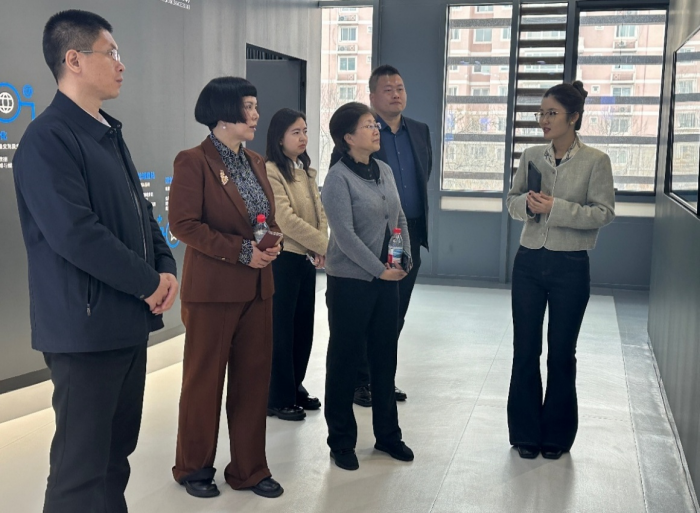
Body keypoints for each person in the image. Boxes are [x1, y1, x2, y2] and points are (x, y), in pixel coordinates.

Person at [12, 10, 178, 512]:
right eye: (112, 53)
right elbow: (76, 234)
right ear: (74, 60)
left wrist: (166, 267)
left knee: (114, 459)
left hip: (125, 321)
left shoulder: (106, 132)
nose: (121, 64)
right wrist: (147, 282)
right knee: (79, 471)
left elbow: (141, 213)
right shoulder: (48, 139)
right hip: (84, 331)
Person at [169, 77, 284, 499]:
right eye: (248, 107)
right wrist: (241, 251)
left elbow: (264, 217)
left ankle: (249, 469)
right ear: (222, 113)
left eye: (255, 106)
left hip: (258, 288)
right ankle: (194, 467)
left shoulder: (255, 161)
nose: (255, 115)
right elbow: (183, 225)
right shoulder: (193, 161)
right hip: (213, 292)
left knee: (253, 382)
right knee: (204, 382)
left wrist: (272, 241)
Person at [506, 81, 615, 460]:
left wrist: (556, 208)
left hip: (571, 265)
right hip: (529, 261)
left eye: (551, 113)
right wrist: (528, 204)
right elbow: (512, 201)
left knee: (562, 353)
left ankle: (556, 436)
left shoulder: (596, 161)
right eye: (541, 113)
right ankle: (524, 433)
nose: (543, 120)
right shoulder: (531, 155)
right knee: (525, 349)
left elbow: (603, 213)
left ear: (574, 117)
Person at [322, 101, 414, 471]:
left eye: (375, 124)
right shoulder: (337, 179)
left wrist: (403, 257)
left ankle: (388, 436)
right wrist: (379, 270)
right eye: (367, 125)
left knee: (384, 358)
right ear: (347, 137)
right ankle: (341, 441)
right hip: (350, 282)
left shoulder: (384, 170)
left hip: (386, 280)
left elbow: (399, 216)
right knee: (344, 362)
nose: (376, 129)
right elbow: (344, 236)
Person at [353, 65, 433, 408]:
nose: (396, 94)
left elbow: (423, 174)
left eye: (400, 88)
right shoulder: (361, 131)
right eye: (388, 89)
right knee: (371, 310)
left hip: (409, 232)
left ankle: (381, 378)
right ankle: (360, 380)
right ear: (372, 96)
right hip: (374, 234)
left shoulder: (419, 130)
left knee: (396, 310)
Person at [265, 108, 328, 421]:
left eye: (305, 131)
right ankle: (277, 397)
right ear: (280, 137)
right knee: (282, 331)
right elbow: (284, 219)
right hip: (284, 258)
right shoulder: (271, 171)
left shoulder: (306, 171)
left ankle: (295, 385)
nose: (303, 137)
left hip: (304, 258)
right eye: (296, 132)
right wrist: (322, 246)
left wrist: (321, 244)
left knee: (303, 328)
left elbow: (320, 213)